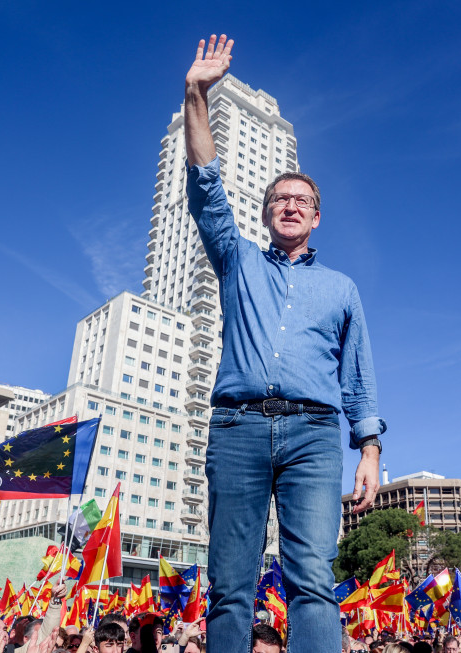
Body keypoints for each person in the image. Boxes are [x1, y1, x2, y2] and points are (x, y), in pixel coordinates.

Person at [183, 34, 385, 653]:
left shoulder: (342, 288)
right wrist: (195, 93)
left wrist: (370, 450)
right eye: (279, 199)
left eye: (302, 200)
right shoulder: (238, 261)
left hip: (315, 437)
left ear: (317, 216)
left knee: (313, 583)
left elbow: (358, 374)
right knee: (230, 584)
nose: (290, 205)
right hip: (238, 430)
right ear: (266, 213)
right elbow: (206, 186)